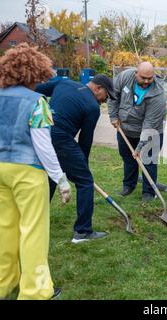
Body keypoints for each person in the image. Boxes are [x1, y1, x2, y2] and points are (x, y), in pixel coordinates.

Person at [0, 43, 71, 299]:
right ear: (35, 73)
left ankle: (1, 286)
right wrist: (60, 179)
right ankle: (35, 292)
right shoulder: (37, 102)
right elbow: (43, 145)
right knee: (33, 229)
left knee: (2, 226)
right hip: (26, 171)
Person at [36, 74, 115, 244]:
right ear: (98, 88)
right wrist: (83, 168)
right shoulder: (92, 106)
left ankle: (35, 222)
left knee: (51, 177)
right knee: (85, 182)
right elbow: (85, 142)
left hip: (41, 135)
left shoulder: (64, 83)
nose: (105, 101)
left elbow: (35, 89)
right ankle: (83, 232)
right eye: (106, 96)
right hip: (60, 138)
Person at [108, 62, 167, 202]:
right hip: (125, 129)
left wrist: (140, 147)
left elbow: (150, 124)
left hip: (151, 131)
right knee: (128, 158)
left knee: (148, 161)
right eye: (143, 78)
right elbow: (113, 95)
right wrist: (113, 116)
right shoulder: (125, 77)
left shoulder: (158, 94)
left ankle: (148, 192)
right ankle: (128, 185)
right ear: (136, 73)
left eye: (150, 78)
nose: (146, 81)